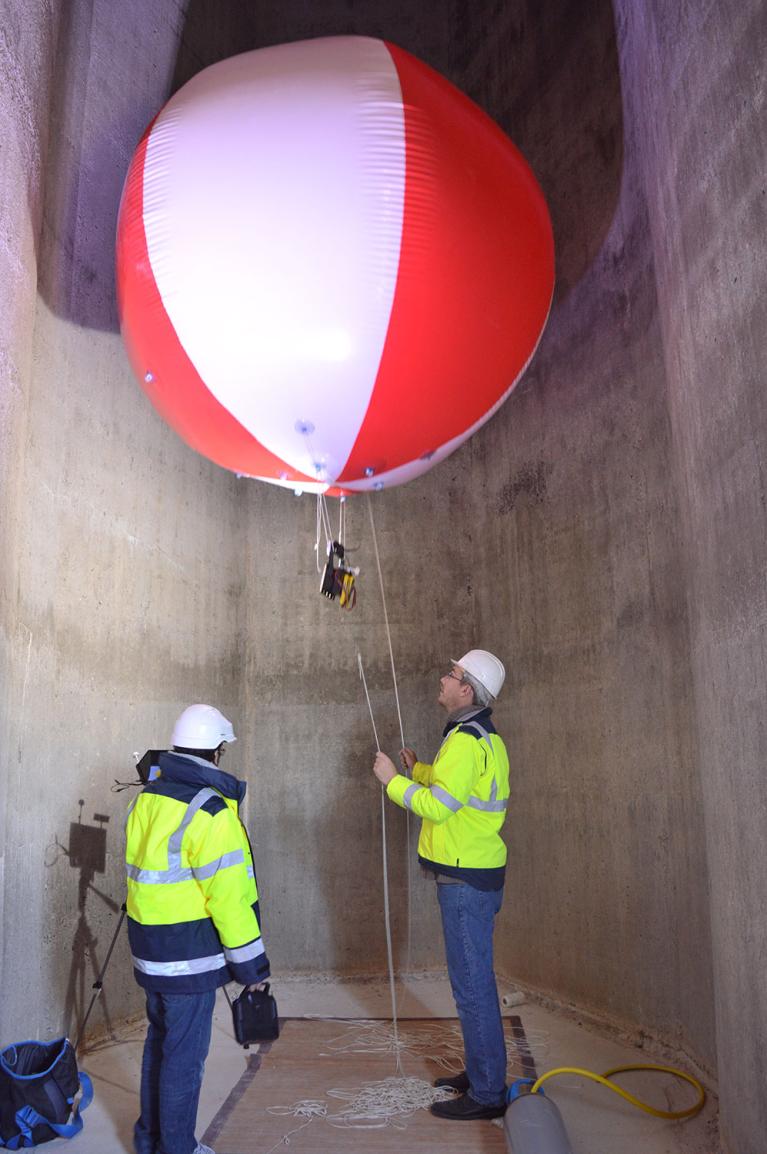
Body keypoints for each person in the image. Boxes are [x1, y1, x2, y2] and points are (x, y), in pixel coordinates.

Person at [125, 704, 270, 1154]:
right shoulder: (211, 812)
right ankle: (178, 1148)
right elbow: (228, 901)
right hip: (188, 956)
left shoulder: (147, 798)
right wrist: (252, 966)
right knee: (184, 1061)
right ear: (217, 752)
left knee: (159, 1045)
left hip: (149, 949)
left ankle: (150, 1141)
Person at [372, 650, 510, 1121]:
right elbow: (458, 790)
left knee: (472, 987)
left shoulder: (467, 741)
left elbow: (439, 808)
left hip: (465, 880)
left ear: (466, 689)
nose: (443, 679)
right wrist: (419, 771)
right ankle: (481, 1073)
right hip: (475, 874)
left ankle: (489, 1094)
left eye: (451, 675)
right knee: (472, 982)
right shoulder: (478, 737)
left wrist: (392, 782)